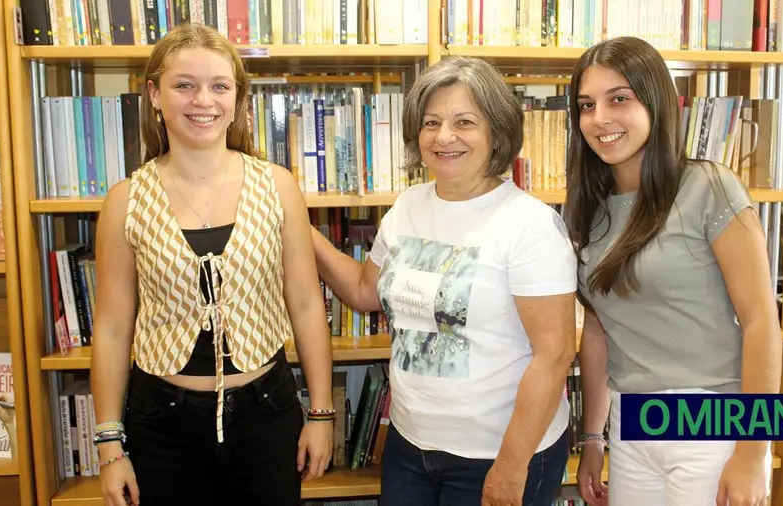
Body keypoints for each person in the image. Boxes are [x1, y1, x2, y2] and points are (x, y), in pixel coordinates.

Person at [311, 55, 577, 506]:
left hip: (498, 454)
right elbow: (362, 291)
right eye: (431, 122)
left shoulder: (530, 224)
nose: (444, 136)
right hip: (410, 445)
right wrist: (301, 228)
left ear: (497, 131)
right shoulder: (408, 206)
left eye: (464, 121)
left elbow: (554, 357)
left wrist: (511, 467)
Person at [89, 24, 334, 506]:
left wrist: (322, 416)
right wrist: (109, 444)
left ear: (239, 99)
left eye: (220, 85)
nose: (204, 100)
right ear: (155, 94)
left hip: (266, 413)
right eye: (185, 84)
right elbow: (114, 328)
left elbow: (306, 305)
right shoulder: (124, 201)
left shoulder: (278, 186)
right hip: (162, 423)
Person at [564, 36, 782, 506]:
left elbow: (763, 323)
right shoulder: (590, 212)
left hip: (712, 418)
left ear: (656, 102)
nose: (599, 118)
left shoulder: (708, 187)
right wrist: (593, 440)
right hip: (630, 421)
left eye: (619, 98)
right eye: (586, 105)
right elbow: (600, 332)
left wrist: (753, 451)